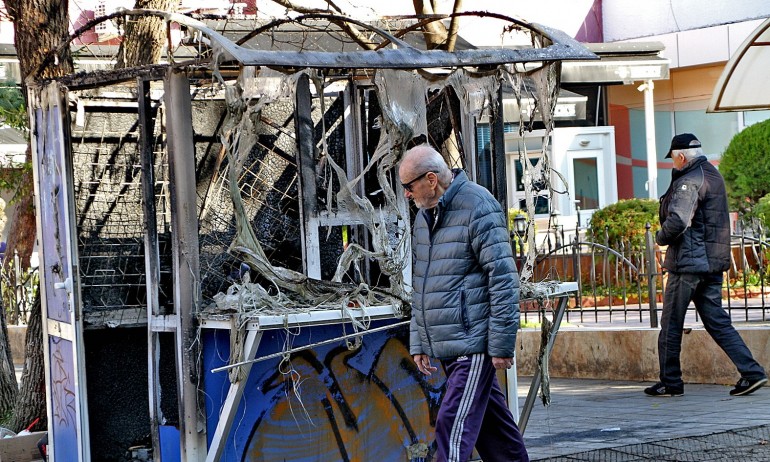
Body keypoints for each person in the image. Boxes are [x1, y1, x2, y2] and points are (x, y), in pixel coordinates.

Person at [399, 144, 528, 462]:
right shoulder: (424, 217)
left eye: (408, 186)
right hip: (449, 345)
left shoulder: (478, 205)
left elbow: (503, 279)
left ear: (431, 179)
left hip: (474, 344)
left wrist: (499, 345)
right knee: (495, 433)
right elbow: (422, 285)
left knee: (452, 425)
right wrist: (419, 340)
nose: (406, 195)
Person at [645, 133, 768, 398]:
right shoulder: (712, 174)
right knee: (717, 322)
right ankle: (752, 372)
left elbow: (677, 221)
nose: (673, 165)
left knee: (671, 324)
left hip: (689, 263)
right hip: (712, 262)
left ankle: (671, 382)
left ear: (680, 157)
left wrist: (660, 237)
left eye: (673, 160)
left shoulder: (688, 181)